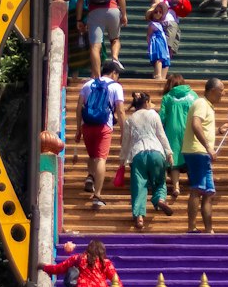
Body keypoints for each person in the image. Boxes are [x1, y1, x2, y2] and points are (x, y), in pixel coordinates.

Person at [75, 60, 126, 209]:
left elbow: (79, 108)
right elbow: (121, 111)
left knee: (92, 155)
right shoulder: (116, 87)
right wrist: (124, 131)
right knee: (101, 158)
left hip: (87, 125)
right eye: (118, 75)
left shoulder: (87, 84)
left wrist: (78, 128)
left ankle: (90, 176)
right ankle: (97, 195)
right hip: (104, 126)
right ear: (113, 73)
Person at [121, 89, 174, 230]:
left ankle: (139, 217)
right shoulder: (153, 115)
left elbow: (126, 141)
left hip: (138, 154)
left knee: (139, 185)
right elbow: (161, 135)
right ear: (146, 102)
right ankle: (160, 199)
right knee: (160, 182)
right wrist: (169, 152)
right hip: (157, 152)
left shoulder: (130, 120)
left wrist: (122, 161)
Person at [41, 239, 121, 287]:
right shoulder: (106, 263)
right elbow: (116, 279)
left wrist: (44, 267)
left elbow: (60, 268)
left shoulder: (79, 258)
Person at [182, 76, 222, 232]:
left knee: (208, 192)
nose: (222, 94)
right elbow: (196, 124)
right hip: (197, 151)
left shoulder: (207, 106)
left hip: (202, 152)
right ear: (213, 90)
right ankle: (192, 227)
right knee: (197, 189)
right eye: (221, 91)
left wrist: (220, 130)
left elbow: (203, 127)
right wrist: (208, 147)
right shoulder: (201, 103)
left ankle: (208, 229)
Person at [81, 0, 128, 79]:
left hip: (94, 12)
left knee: (95, 46)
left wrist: (79, 19)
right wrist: (124, 14)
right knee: (115, 39)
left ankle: (97, 77)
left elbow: (80, 1)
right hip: (112, 10)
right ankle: (115, 58)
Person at [159, 72, 197, 201]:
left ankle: (176, 187)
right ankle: (195, 183)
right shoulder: (193, 95)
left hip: (172, 131)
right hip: (190, 129)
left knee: (174, 159)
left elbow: (162, 117)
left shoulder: (167, 97)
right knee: (191, 155)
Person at [146, 0, 173, 76]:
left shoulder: (160, 24)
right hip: (157, 42)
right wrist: (150, 43)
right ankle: (158, 74)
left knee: (161, 58)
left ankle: (157, 73)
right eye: (156, 12)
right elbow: (149, 35)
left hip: (161, 43)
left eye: (160, 12)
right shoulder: (152, 24)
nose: (158, 14)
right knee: (159, 58)